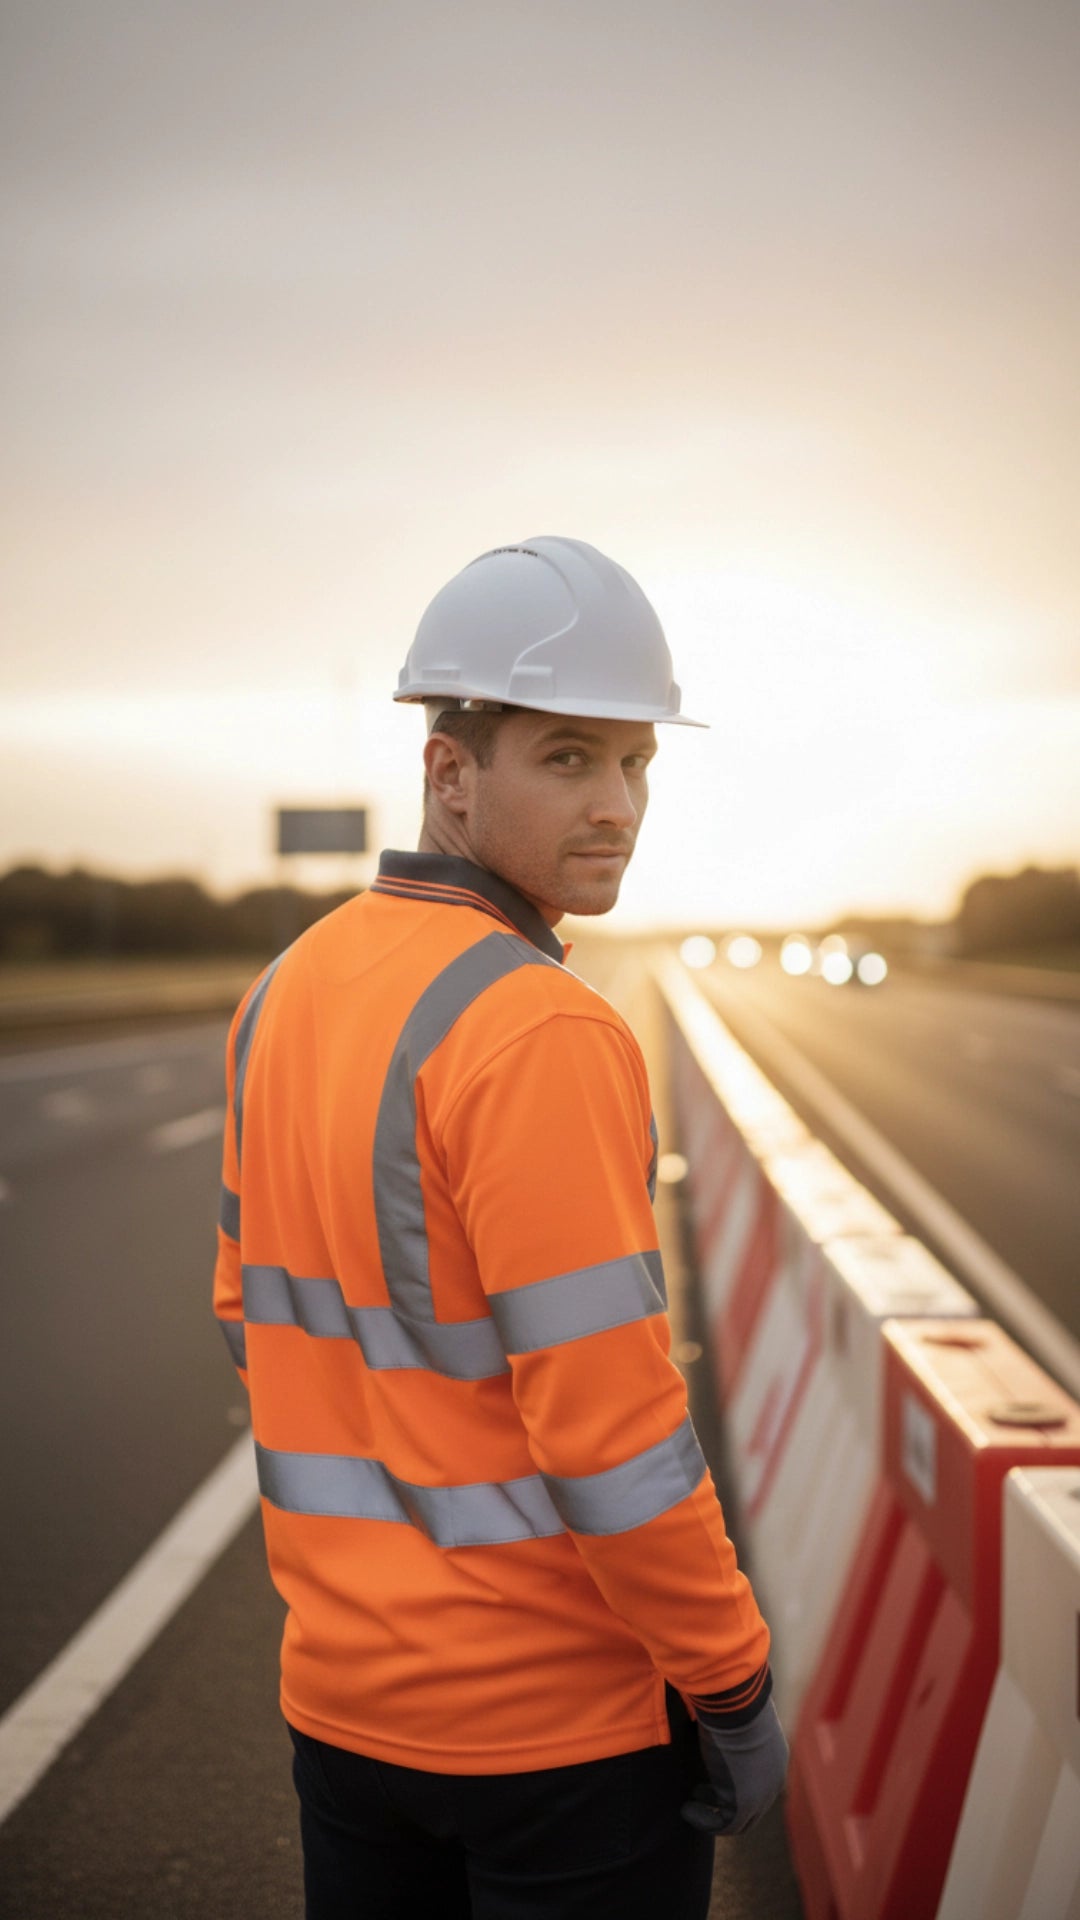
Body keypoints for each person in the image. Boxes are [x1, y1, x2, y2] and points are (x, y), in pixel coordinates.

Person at [213, 536, 787, 1919]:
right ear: (450, 770)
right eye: (569, 758)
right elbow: (615, 1435)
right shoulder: (538, 1025)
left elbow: (253, 1324)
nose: (620, 807)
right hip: (556, 1745)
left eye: (637, 763)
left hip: (344, 1716)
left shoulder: (283, 990)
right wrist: (731, 1681)